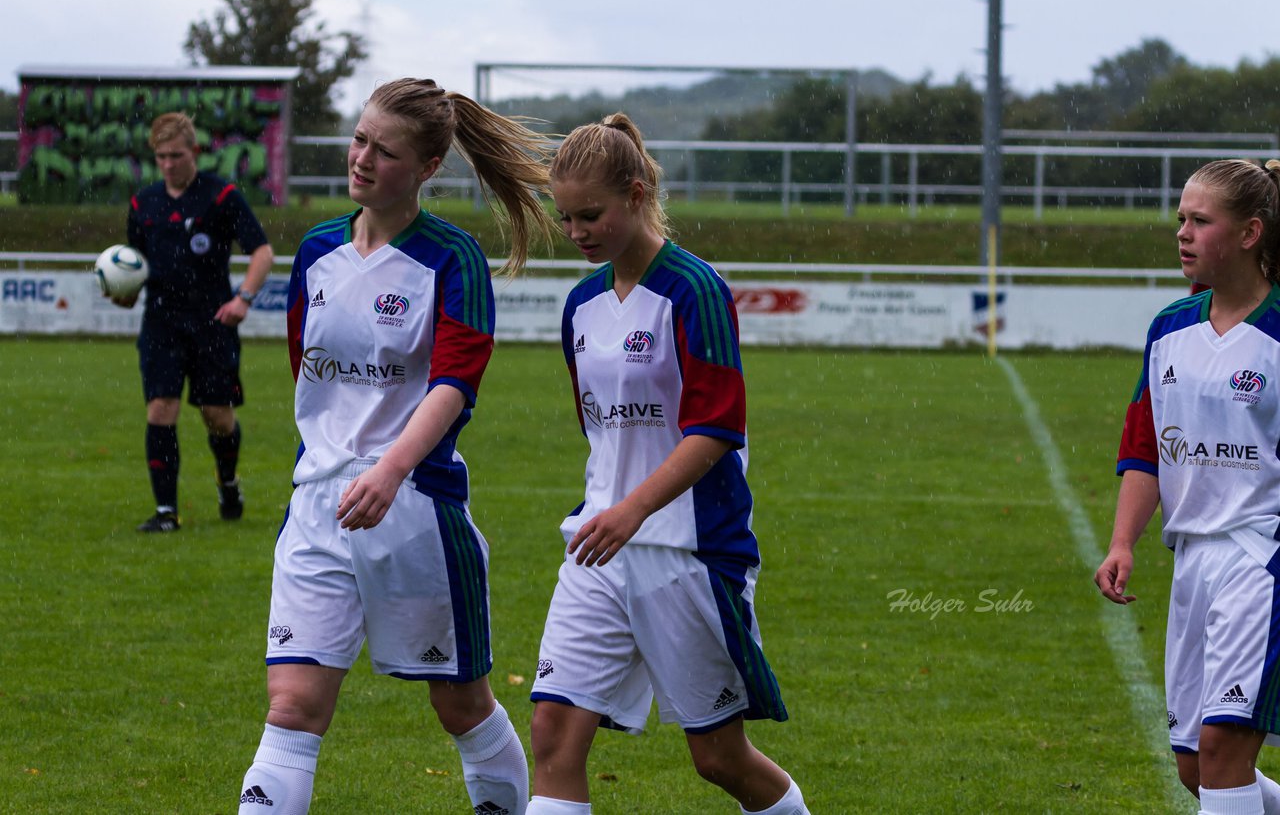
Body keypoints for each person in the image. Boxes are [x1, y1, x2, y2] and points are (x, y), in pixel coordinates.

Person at [235, 78, 554, 815]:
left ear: (428, 168)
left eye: (385, 150)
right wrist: (338, 464)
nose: (363, 159)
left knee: (462, 707)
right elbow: (310, 379)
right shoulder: (316, 252)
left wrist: (390, 467)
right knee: (292, 707)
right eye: (359, 140)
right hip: (317, 509)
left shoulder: (452, 259)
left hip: (414, 512)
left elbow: (455, 383)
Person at [525, 113, 809, 815]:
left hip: (689, 551)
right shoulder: (581, 305)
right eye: (565, 219)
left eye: (590, 214)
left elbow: (715, 429)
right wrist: (610, 511)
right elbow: (603, 433)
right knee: (553, 733)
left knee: (719, 759)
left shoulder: (694, 290)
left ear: (638, 191)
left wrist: (634, 509)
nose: (577, 232)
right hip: (597, 546)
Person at [1096, 158, 1280, 815]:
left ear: (1251, 232)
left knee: (1224, 748)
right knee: (1195, 768)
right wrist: (1122, 543)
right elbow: (1145, 447)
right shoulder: (1170, 329)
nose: (1183, 233)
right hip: (1193, 560)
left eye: (1201, 221)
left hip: (1262, 558)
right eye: (1181, 219)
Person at [116, 111, 275, 533]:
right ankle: (167, 512)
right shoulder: (142, 203)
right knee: (160, 409)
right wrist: (122, 291)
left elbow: (262, 252)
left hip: (212, 324)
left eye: (176, 155)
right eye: (161, 157)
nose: (168, 164)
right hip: (161, 324)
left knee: (216, 416)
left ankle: (227, 481)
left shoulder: (220, 196)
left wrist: (243, 298)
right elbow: (133, 269)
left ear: (195, 152)